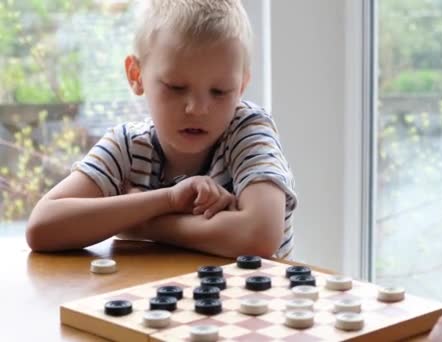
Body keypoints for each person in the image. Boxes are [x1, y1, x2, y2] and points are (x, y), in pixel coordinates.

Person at [25, 0, 297, 259]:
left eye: (219, 91)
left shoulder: (248, 129)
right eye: (176, 87)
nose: (197, 108)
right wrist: (167, 200)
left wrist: (143, 226)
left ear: (240, 87)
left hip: (250, 304)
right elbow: (42, 227)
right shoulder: (127, 146)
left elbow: (259, 235)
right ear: (136, 75)